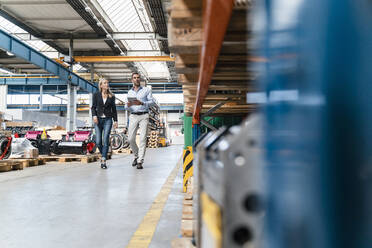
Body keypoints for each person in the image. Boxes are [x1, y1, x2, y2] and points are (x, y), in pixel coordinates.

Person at [127, 72, 154, 169]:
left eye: (138, 78)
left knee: (142, 138)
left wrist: (142, 103)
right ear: (132, 80)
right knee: (130, 139)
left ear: (140, 79)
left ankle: (140, 161)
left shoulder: (146, 90)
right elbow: (129, 106)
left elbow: (152, 102)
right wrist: (127, 106)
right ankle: (136, 155)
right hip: (133, 116)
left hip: (144, 116)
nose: (136, 79)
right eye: (134, 78)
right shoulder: (130, 92)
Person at [91, 78, 118, 169]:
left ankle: (103, 160)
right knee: (98, 142)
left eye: (107, 83)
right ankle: (104, 154)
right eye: (105, 83)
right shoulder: (96, 95)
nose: (107, 84)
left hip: (108, 120)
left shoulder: (111, 96)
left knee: (105, 139)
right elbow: (93, 107)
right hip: (98, 120)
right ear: (101, 85)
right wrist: (94, 116)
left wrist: (116, 120)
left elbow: (114, 110)